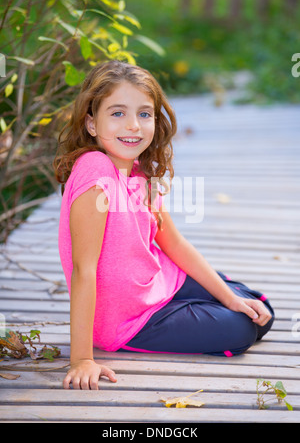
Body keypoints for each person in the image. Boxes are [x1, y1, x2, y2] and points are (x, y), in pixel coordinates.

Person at [53, 60, 274, 391]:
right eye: (117, 113)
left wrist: (228, 297)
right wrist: (82, 358)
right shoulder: (95, 170)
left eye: (144, 114)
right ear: (91, 123)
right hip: (126, 319)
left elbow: (171, 240)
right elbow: (84, 270)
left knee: (258, 308)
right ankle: (195, 310)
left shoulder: (139, 170)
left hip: (159, 280)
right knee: (241, 330)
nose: (133, 126)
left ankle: (209, 301)